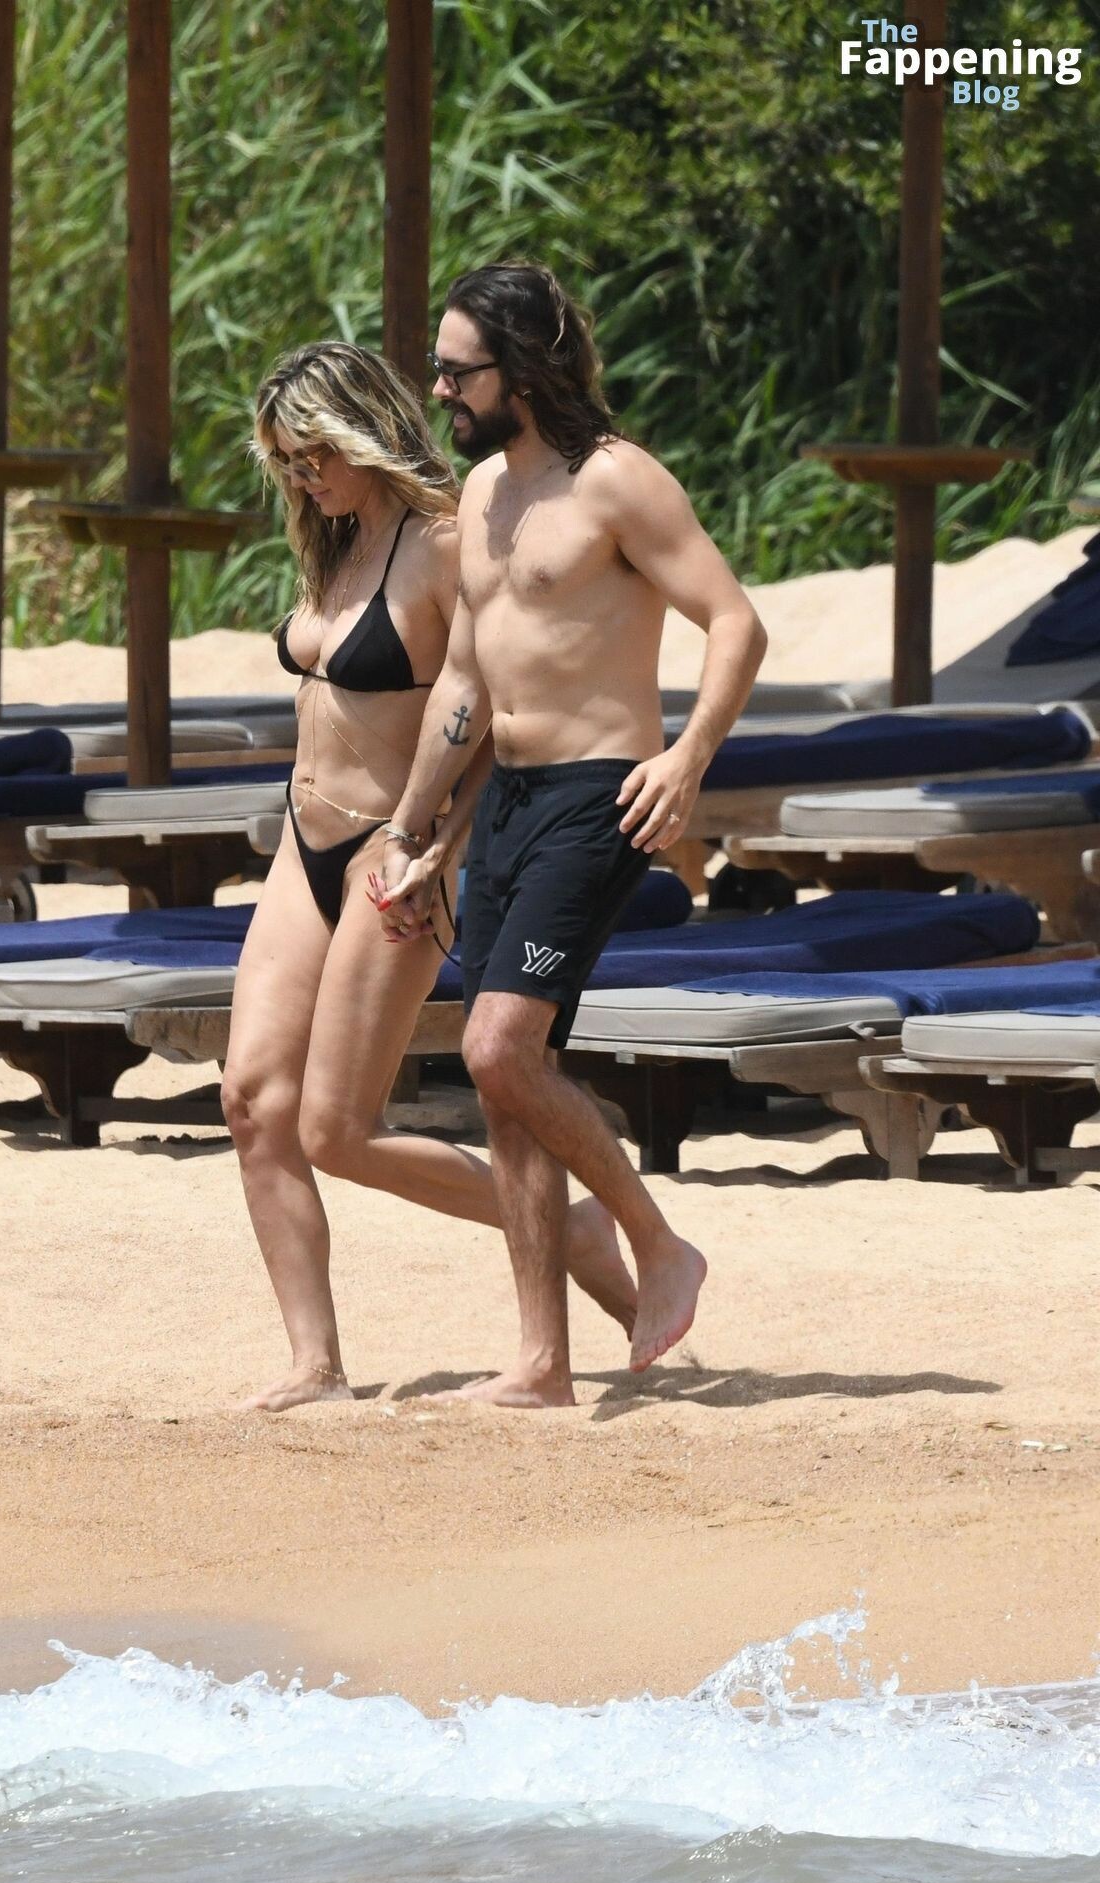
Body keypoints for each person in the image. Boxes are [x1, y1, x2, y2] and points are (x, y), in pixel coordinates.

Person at [222, 340, 639, 1412]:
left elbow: (501, 708)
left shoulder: (446, 542)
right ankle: (314, 1364)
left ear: (362, 430)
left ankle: (567, 1227)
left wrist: (442, 847)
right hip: (303, 844)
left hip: (397, 855)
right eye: (286, 459)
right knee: (252, 1102)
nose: (303, 474)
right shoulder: (331, 546)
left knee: (337, 1129)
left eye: (315, 452)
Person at [378, 264, 768, 1408]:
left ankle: (657, 1242)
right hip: (503, 804)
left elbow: (734, 622)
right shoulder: (480, 497)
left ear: (522, 370)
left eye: (456, 371)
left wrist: (686, 758)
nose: (439, 390)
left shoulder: (617, 482)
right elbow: (466, 680)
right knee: (509, 1086)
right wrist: (416, 829)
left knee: (499, 1049)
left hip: (599, 796)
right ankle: (541, 1361)